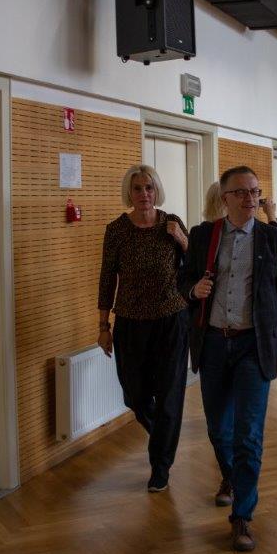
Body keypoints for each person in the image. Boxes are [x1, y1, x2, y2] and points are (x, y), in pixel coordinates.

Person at [179, 166, 277, 552]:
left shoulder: (273, 238)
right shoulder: (203, 236)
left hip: (254, 346)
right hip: (213, 344)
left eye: (255, 192)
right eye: (242, 192)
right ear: (225, 197)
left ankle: (242, 515)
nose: (251, 199)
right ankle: (230, 476)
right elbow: (183, 281)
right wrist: (193, 289)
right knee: (219, 429)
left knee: (248, 434)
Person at [97, 165, 190, 493]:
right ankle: (163, 436)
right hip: (131, 323)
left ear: (156, 190)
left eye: (149, 187)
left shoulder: (172, 223)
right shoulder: (117, 230)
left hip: (171, 320)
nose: (144, 194)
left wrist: (182, 239)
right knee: (134, 393)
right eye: (137, 188)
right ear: (129, 193)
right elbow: (107, 279)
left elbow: (195, 265)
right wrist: (103, 325)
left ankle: (160, 466)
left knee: (169, 395)